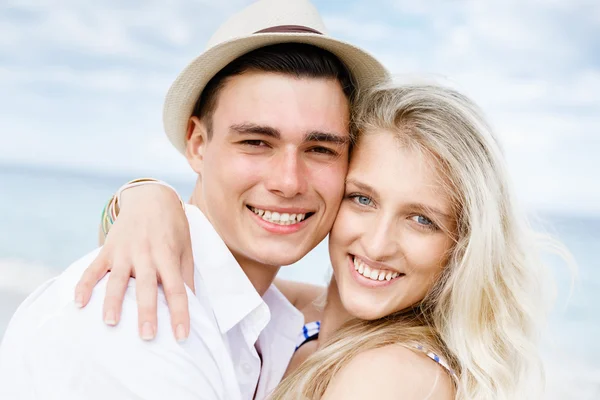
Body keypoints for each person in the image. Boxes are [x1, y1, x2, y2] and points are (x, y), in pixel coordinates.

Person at [80, 82, 569, 399]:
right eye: (363, 199)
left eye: (421, 220)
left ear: (462, 247)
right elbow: (196, 265)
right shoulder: (301, 316)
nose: (377, 244)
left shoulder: (394, 376)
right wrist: (145, 200)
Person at [0, 1, 388, 399]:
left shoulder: (267, 318)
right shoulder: (137, 317)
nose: (288, 182)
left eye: (320, 149)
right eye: (256, 142)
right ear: (198, 144)